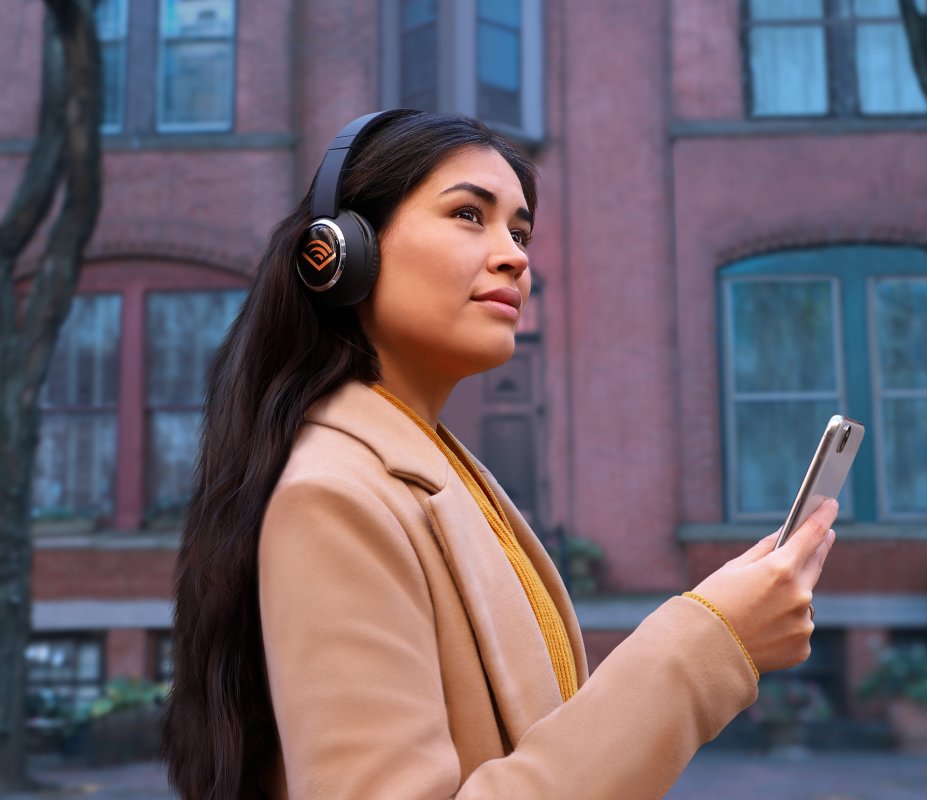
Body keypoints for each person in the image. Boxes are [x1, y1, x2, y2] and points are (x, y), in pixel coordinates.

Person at [161, 109, 838, 799]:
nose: (515, 254)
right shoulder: (334, 498)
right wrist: (711, 646)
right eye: (467, 215)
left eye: (520, 230)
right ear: (341, 254)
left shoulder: (435, 471)